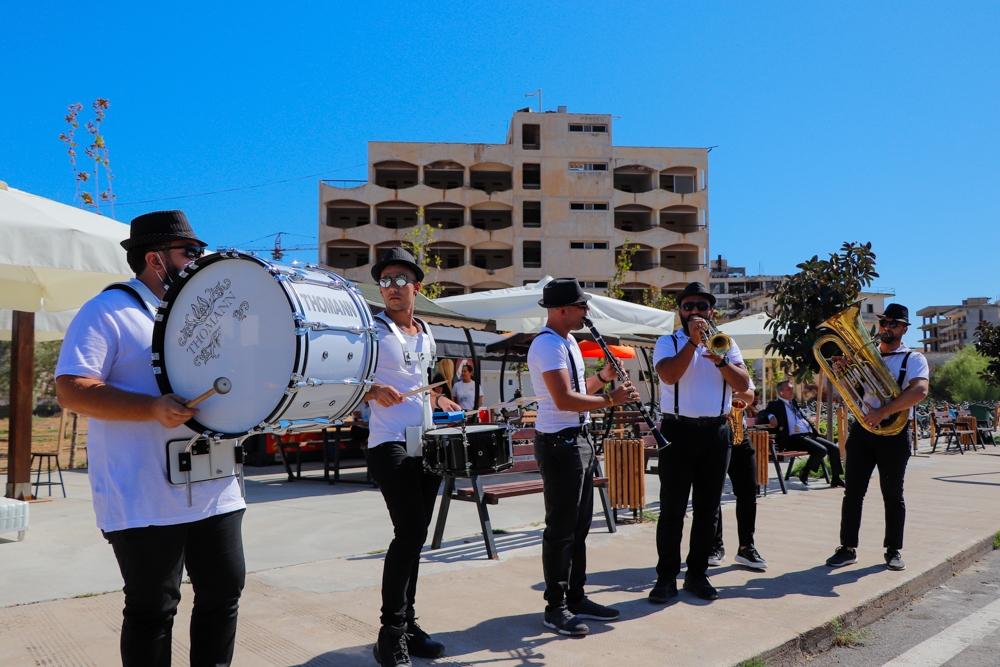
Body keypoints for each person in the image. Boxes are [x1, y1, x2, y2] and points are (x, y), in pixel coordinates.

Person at [54, 210, 246, 667]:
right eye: (190, 252)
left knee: (223, 595)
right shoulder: (107, 310)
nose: (199, 260)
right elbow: (71, 389)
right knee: (153, 609)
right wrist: (151, 408)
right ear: (155, 258)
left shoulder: (205, 315)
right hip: (143, 494)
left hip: (215, 487)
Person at [361, 247, 463, 667]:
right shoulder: (371, 330)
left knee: (416, 538)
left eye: (400, 279)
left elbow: (421, 384)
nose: (392, 287)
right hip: (388, 443)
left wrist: (439, 399)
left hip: (426, 442)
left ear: (417, 287)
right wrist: (371, 391)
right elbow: (342, 381)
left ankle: (407, 625)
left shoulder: (426, 332)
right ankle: (389, 635)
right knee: (410, 532)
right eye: (385, 281)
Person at [527, 277, 637, 636]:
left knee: (580, 526)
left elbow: (579, 391)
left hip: (578, 439)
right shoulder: (547, 345)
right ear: (562, 310)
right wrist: (611, 400)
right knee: (561, 529)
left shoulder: (570, 341)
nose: (586, 310)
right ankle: (555, 607)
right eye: (581, 305)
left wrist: (604, 377)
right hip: (559, 443)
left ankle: (575, 597)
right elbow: (563, 400)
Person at [648, 282, 751, 603]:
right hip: (677, 431)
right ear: (679, 311)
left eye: (701, 307)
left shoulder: (726, 344)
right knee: (672, 510)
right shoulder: (667, 342)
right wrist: (693, 343)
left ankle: (697, 575)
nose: (695, 311)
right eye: (688, 306)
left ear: (712, 312)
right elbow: (668, 376)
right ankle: (666, 577)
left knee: (708, 509)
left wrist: (720, 360)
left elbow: (743, 384)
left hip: (716, 433)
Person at [826, 304, 929, 572]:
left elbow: (919, 391)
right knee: (852, 492)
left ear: (904, 329)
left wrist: (883, 411)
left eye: (893, 324)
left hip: (894, 433)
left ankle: (893, 550)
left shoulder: (913, 358)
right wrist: (843, 372)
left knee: (893, 495)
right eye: (884, 322)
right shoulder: (864, 357)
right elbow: (852, 392)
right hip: (864, 431)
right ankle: (847, 548)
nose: (886, 327)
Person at [709, 386, 768, 570]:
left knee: (749, 492)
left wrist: (735, 391)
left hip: (739, 436)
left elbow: (749, 396)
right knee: (712, 494)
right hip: (713, 434)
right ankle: (714, 546)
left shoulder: (738, 367)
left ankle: (746, 547)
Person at [762, 380, 845, 487]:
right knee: (821, 450)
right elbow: (762, 413)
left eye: (792, 388)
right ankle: (805, 471)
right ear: (780, 392)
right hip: (794, 438)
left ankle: (836, 478)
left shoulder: (793, 403)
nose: (792, 391)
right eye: (789, 389)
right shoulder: (775, 404)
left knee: (834, 448)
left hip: (809, 435)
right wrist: (770, 416)